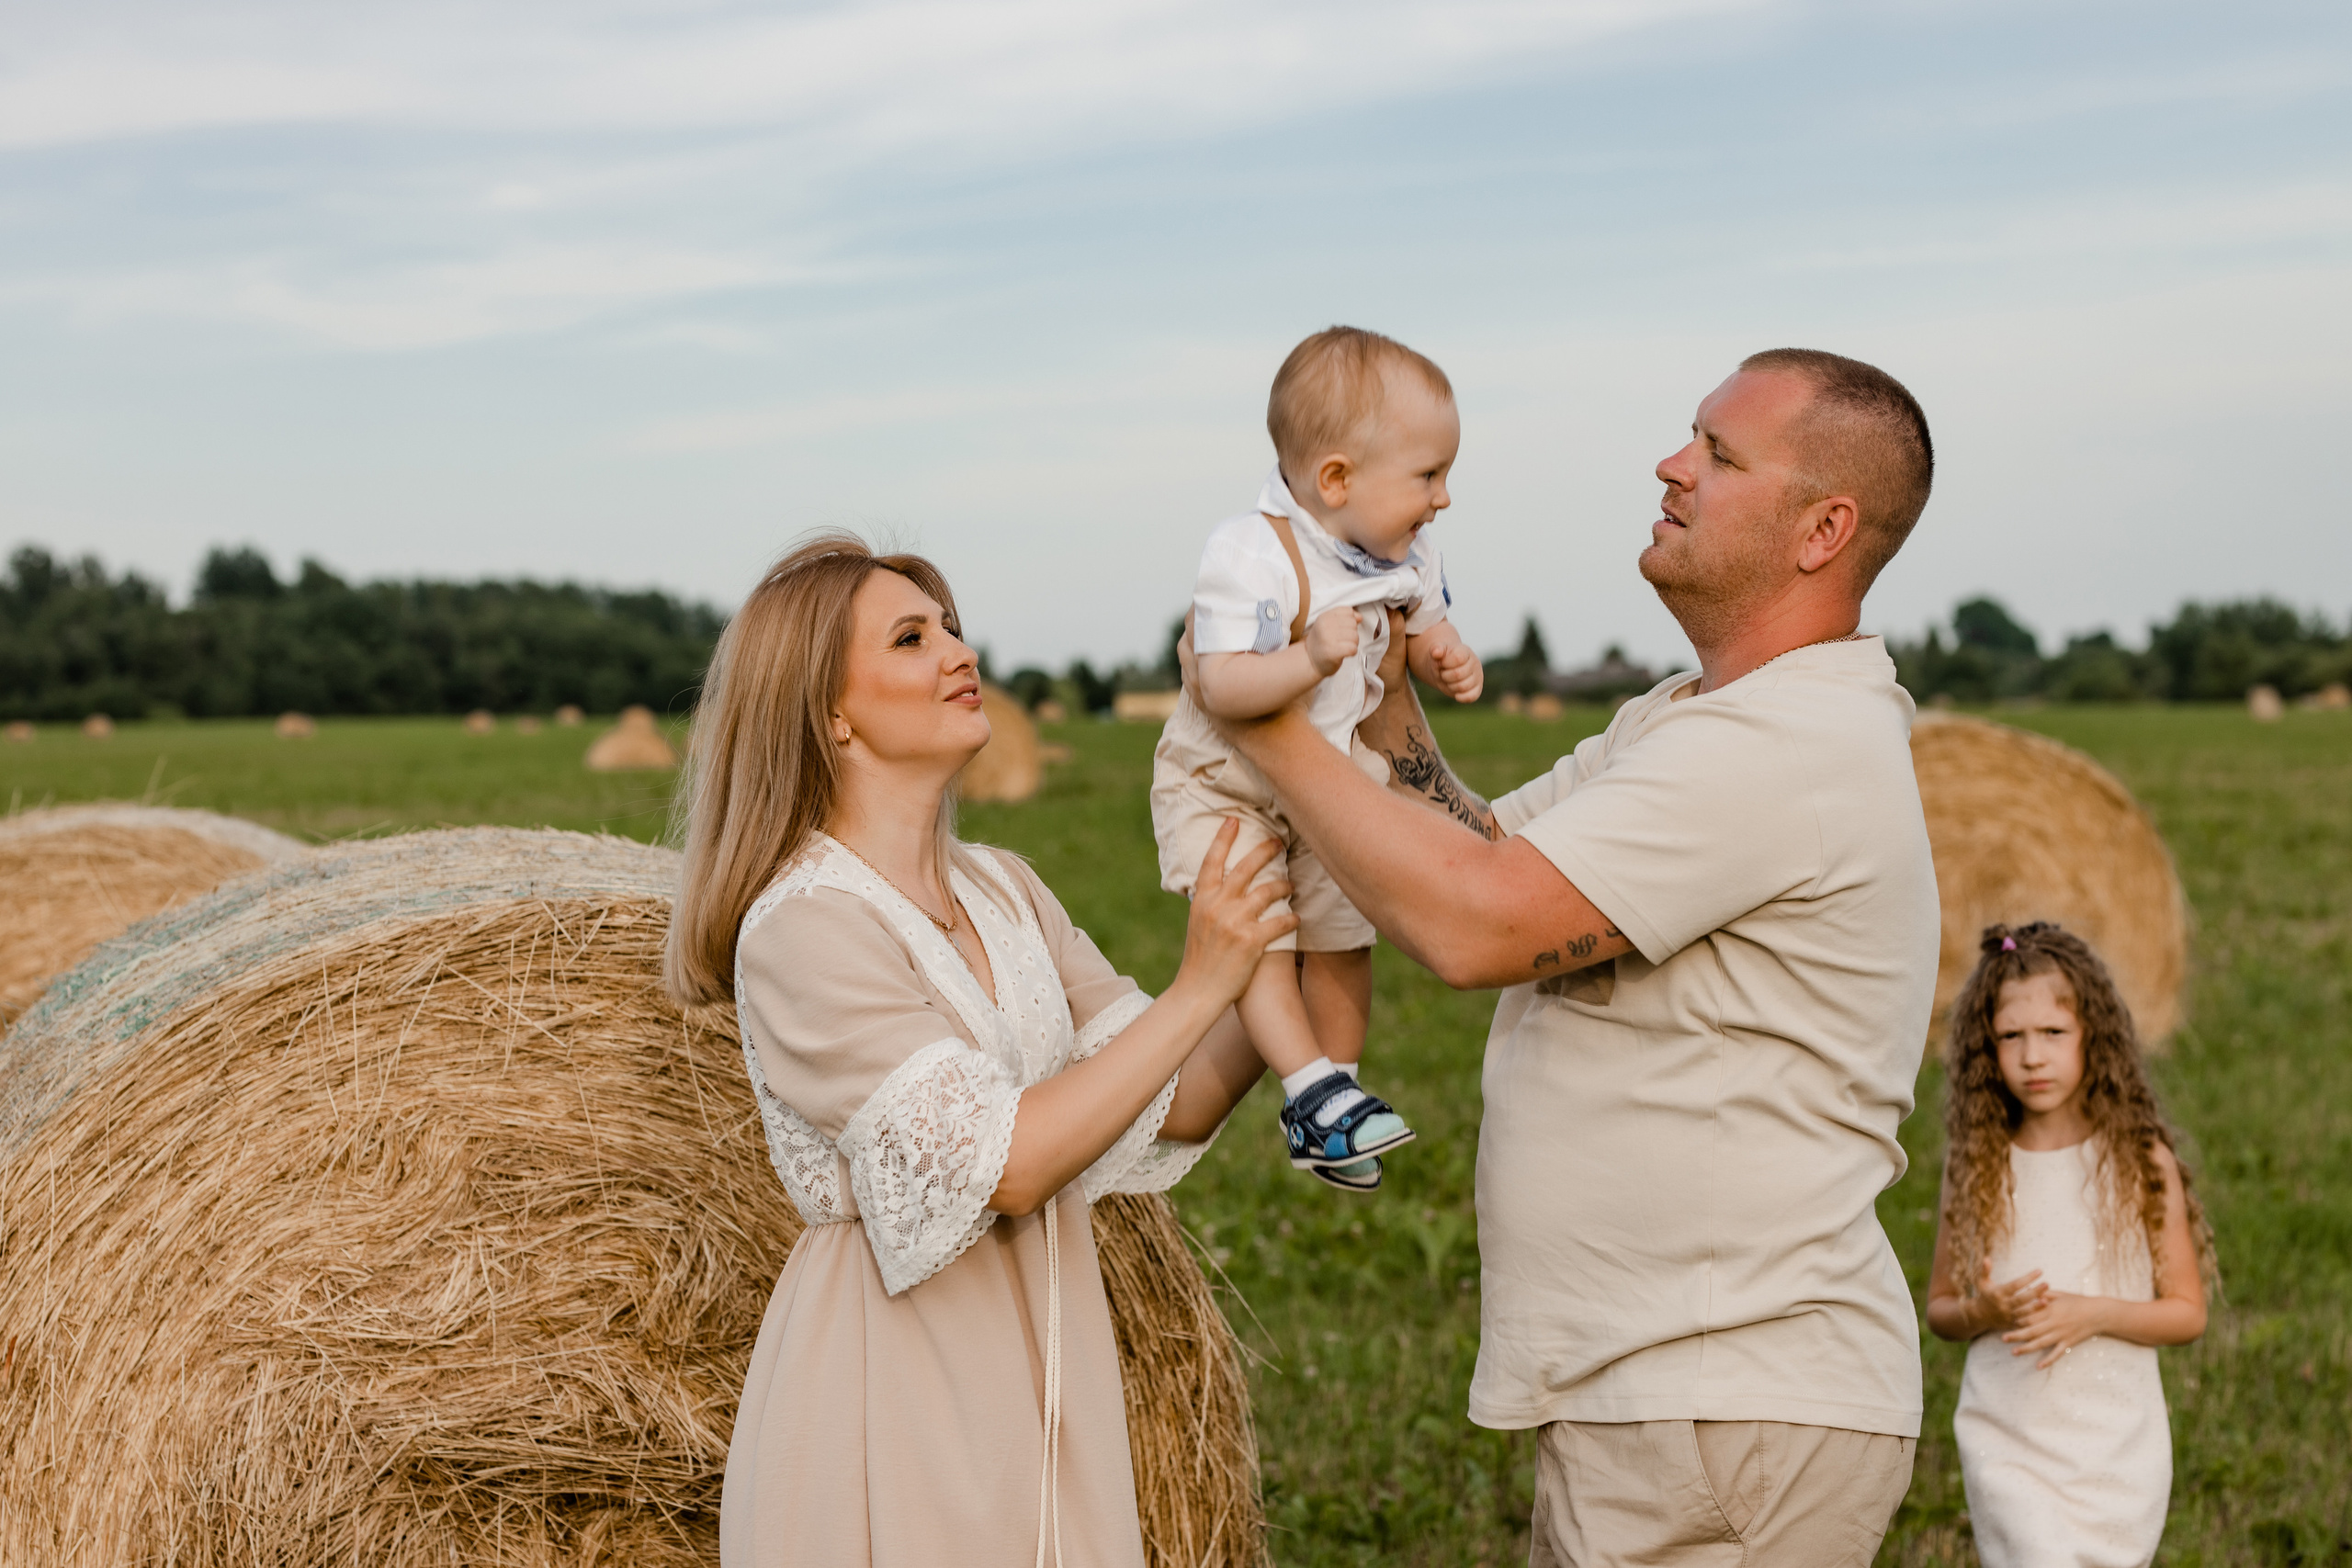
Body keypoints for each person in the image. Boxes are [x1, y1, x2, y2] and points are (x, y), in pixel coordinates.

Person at [1183, 348, 1943, 1562]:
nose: (1670, 463)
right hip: (1672, 1394)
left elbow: (1476, 923)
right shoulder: (1687, 717)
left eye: (1718, 452)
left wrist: (1262, 723)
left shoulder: (1784, 746)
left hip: (1721, 1397)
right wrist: (1377, 698)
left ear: (1822, 529)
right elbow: (1482, 853)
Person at [664, 533, 1285, 1568]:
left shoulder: (1003, 889)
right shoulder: (803, 926)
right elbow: (1004, 1164)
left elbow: (1176, 1097)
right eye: (911, 639)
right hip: (892, 1381)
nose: (959, 652)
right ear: (831, 715)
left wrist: (1293, 909)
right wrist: (1202, 983)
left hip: (1048, 1362)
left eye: (950, 627)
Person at [1153, 325, 1484, 1192]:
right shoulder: (1251, 553)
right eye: (1428, 475)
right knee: (1259, 928)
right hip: (1230, 785)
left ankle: (1338, 1102)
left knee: (1344, 937)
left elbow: (1422, 624)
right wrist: (1306, 660)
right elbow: (1218, 684)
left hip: (1331, 784)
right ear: (1336, 479)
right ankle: (1307, 1085)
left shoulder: (1404, 551)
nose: (1444, 498)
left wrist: (1443, 655)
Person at [1927, 922, 2214, 1568]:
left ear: (2094, 1036)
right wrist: (1986, 1312)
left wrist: (2094, 1313)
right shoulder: (1977, 1163)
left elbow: (2187, 1310)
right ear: (1986, 1047)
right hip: (2010, 1435)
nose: (2033, 1056)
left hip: (2113, 1443)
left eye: (2054, 1033)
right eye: (2011, 1037)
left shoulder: (2140, 1162)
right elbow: (1942, 1307)